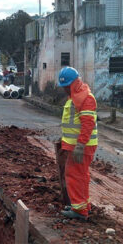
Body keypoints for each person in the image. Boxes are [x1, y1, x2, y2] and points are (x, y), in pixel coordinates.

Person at [58, 67, 98, 220]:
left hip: (82, 146)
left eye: (67, 86)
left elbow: (87, 124)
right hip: (77, 146)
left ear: (74, 83)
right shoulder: (75, 96)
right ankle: (81, 205)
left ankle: (79, 211)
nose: (65, 90)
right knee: (81, 175)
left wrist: (80, 145)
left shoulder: (85, 98)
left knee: (75, 175)